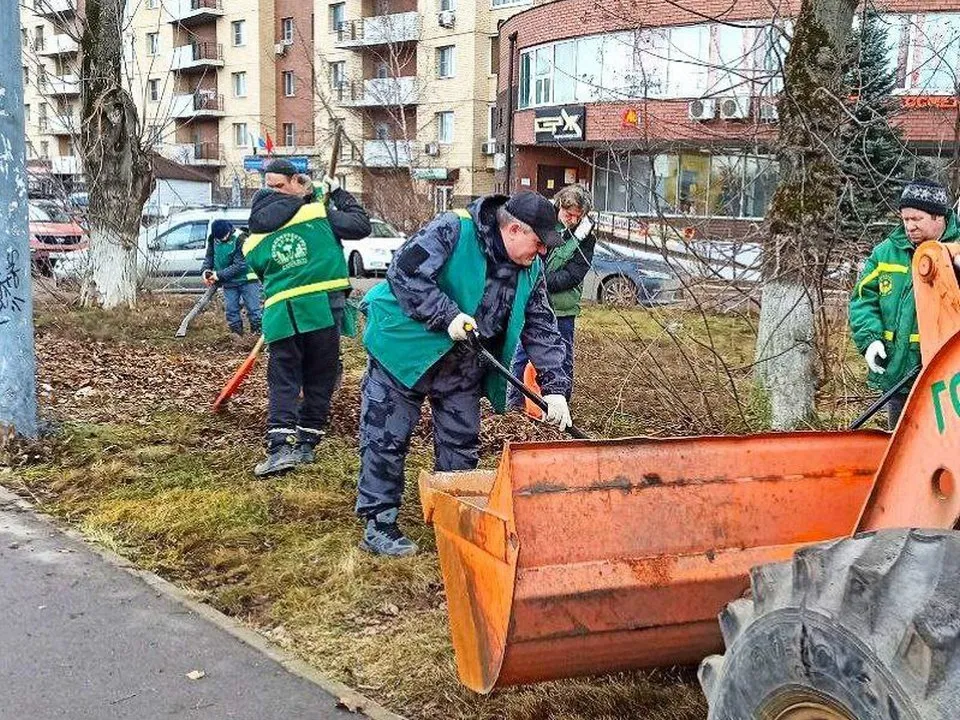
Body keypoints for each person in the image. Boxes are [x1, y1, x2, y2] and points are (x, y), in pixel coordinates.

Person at [356, 190, 573, 557]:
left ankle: (451, 517)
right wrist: (447, 315)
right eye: (538, 243)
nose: (541, 253)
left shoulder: (531, 268)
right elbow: (405, 273)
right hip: (403, 350)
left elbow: (541, 326)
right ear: (515, 229)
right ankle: (379, 522)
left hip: (462, 363)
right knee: (386, 436)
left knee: (461, 444)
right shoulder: (453, 230)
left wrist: (555, 388)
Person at [243, 158, 370, 476]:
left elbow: (261, 271)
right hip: (323, 311)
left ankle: (279, 448)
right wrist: (336, 194)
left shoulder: (251, 239)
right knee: (320, 377)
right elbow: (359, 225)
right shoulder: (316, 213)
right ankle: (305, 445)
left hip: (282, 315)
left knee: (284, 380)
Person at [850, 179, 959, 429]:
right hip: (899, 373)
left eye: (916, 219)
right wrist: (870, 341)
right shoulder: (886, 252)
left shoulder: (956, 252)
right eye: (905, 219)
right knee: (900, 445)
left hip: (949, 381)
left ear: (937, 216)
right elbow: (863, 299)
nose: (909, 226)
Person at [509, 184, 595, 407]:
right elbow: (534, 262)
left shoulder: (585, 237)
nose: (573, 220)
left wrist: (541, 283)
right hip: (533, 304)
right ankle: (514, 406)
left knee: (562, 359)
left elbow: (574, 274)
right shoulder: (543, 226)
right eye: (569, 214)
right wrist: (538, 283)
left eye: (578, 216)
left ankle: (560, 405)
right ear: (559, 207)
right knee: (522, 355)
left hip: (564, 308)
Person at [201, 219, 262, 343]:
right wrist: (206, 271)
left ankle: (256, 337)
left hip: (247, 280)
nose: (223, 239)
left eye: (225, 237)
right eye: (220, 238)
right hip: (228, 282)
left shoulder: (241, 238)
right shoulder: (213, 239)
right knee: (231, 311)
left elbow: (240, 264)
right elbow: (210, 257)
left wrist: (218, 275)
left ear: (229, 230)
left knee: (253, 310)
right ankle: (237, 338)